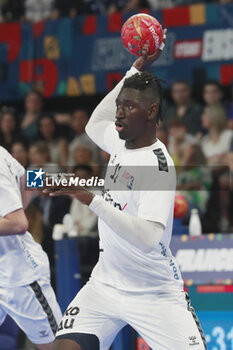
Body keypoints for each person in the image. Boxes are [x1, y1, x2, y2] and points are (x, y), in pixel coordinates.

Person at [45, 33, 206, 350]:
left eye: (128, 107)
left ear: (151, 112)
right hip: (105, 284)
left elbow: (147, 238)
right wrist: (133, 71)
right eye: (119, 105)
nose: (118, 113)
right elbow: (94, 124)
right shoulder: (120, 141)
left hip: (154, 292)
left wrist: (90, 198)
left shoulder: (159, 166)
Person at [0, 146, 62, 349]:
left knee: (56, 346)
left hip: (20, 276)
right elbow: (27, 182)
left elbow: (18, 224)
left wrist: (71, 180)